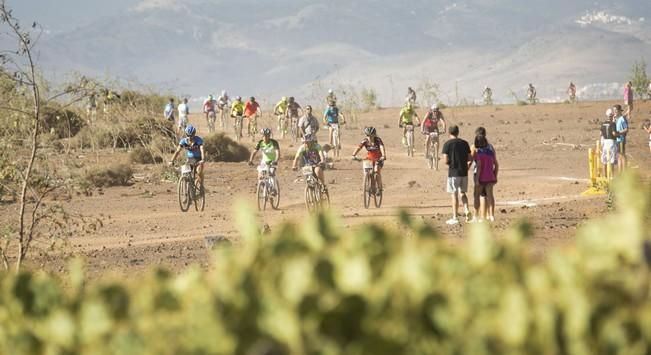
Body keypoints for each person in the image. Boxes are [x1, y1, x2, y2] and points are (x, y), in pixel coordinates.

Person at [441, 125, 471, 225]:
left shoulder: (447, 144)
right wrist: (467, 166)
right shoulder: (465, 143)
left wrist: (451, 163)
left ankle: (455, 217)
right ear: (458, 132)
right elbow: (470, 158)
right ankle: (466, 210)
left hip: (453, 172)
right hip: (464, 172)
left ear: (449, 133)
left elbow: (445, 160)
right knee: (462, 193)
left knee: (454, 194)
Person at [471, 128, 498, 222]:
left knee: (478, 195)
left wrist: (476, 179)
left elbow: (476, 165)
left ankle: (477, 216)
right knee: (489, 195)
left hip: (480, 175)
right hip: (490, 174)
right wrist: (495, 175)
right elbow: (496, 163)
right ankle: (490, 215)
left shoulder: (476, 148)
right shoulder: (490, 148)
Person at [351, 127, 387, 196]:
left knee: (376, 171)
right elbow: (359, 147)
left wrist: (383, 155)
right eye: (368, 135)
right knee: (368, 172)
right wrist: (354, 155)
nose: (369, 137)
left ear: (374, 135)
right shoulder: (365, 141)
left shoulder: (378, 140)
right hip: (369, 158)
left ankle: (379, 188)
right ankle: (368, 185)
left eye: (371, 135)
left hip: (379, 158)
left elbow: (382, 147)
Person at [600, 108, 619, 178]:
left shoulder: (603, 124)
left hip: (605, 142)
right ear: (612, 115)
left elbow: (601, 134)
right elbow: (614, 133)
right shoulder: (613, 124)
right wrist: (619, 134)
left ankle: (605, 176)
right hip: (611, 142)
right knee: (611, 160)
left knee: (604, 160)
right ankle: (612, 176)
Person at [614, 104, 629, 173]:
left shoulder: (622, 118)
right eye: (614, 110)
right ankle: (620, 173)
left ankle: (624, 172)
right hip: (617, 140)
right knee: (619, 156)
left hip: (621, 140)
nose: (614, 112)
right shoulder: (617, 119)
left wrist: (618, 133)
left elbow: (626, 129)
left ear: (620, 111)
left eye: (615, 110)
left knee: (622, 156)